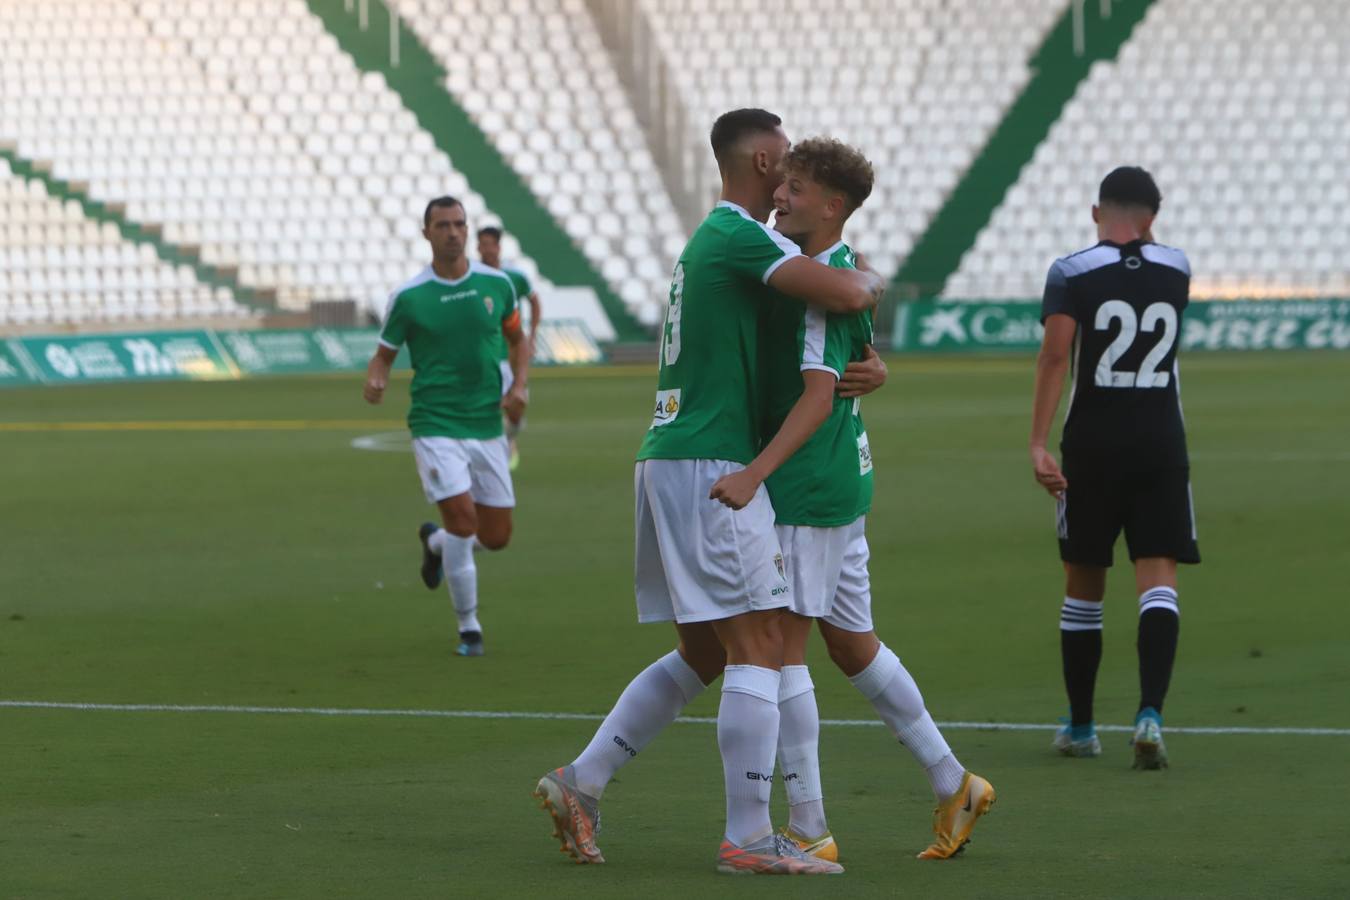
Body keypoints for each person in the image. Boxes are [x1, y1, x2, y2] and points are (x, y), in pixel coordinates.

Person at [533, 109, 887, 876]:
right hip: (711, 463)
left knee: (703, 648)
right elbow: (847, 288)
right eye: (785, 162)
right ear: (762, 161)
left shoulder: (711, 243)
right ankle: (749, 836)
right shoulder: (740, 234)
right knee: (761, 644)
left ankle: (581, 781)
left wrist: (868, 363)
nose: (791, 176)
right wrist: (870, 279)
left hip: (671, 454)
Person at [757, 137, 996, 862]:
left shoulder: (824, 285)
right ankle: (955, 782)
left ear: (832, 205)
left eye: (795, 187)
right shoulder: (833, 271)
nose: (780, 195)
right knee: (853, 645)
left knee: (779, 648)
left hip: (809, 485)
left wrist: (756, 468)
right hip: (844, 480)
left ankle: (808, 825)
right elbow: (861, 335)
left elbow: (821, 392)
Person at [1029, 166, 1196, 769]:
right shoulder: (1176, 268)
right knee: (1157, 577)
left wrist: (1039, 442)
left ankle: (1080, 727)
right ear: (1152, 217)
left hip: (1092, 445)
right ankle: (1150, 713)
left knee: (1084, 584)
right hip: (1160, 442)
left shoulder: (1071, 272)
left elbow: (1055, 356)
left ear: (1095, 211)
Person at [363, 197, 530, 658]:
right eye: (442, 225)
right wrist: (377, 377)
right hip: (435, 422)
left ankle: (435, 544)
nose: (453, 232)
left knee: (496, 536)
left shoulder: (497, 285)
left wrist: (519, 385)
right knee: (462, 518)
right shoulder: (410, 297)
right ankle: (469, 626)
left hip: (486, 423)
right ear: (426, 233)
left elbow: (517, 340)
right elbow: (384, 353)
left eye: (459, 224)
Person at [477, 226, 540, 470]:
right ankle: (493, 451)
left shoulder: (515, 278)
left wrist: (532, 336)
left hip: (513, 354)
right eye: (481, 244)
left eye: (489, 243)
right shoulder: (474, 277)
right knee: (490, 406)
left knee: (517, 406)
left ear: (498, 247)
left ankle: (509, 438)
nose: (485, 248)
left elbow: (535, 302)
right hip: (488, 354)